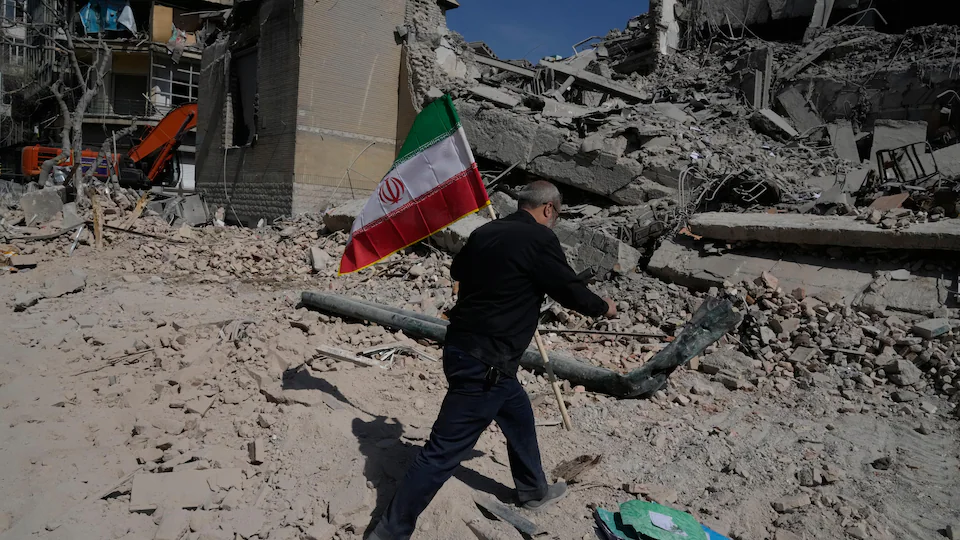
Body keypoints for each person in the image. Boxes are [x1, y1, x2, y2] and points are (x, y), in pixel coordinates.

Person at [369, 180, 617, 540]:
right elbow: (569, 289)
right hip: (487, 362)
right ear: (548, 208)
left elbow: (458, 271)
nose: (555, 220)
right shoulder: (540, 238)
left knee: (518, 413)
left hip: (462, 349)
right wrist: (603, 307)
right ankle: (389, 533)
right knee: (441, 452)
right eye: (557, 214)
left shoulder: (485, 231)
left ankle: (533, 490)